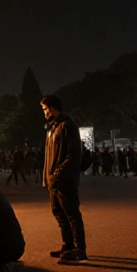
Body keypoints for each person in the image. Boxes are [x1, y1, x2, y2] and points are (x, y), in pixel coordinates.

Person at [41, 95, 87, 263]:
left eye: (46, 109)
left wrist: (59, 173)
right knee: (59, 214)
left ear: (54, 108)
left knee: (72, 214)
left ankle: (80, 249)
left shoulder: (68, 126)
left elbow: (74, 155)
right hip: (54, 180)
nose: (45, 113)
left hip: (64, 180)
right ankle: (68, 245)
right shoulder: (53, 128)